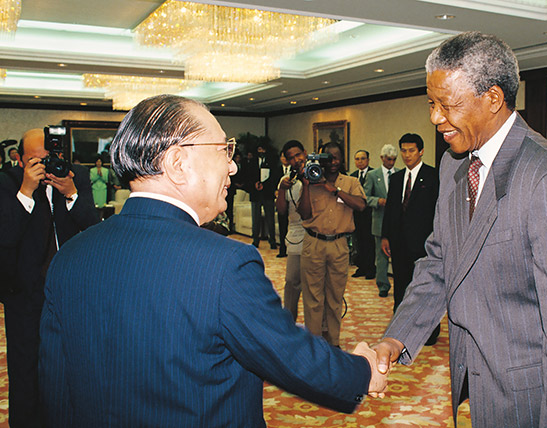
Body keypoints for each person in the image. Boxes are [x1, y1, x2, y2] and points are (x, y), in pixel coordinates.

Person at [38, 95, 386, 427]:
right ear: (178, 163)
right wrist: (362, 371)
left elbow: (56, 389)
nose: (233, 165)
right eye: (224, 150)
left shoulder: (70, 255)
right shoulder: (225, 263)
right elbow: (286, 354)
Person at [372, 32, 547, 427]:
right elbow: (439, 261)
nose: (435, 118)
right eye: (431, 104)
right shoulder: (455, 165)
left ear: (493, 99)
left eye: (447, 105)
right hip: (482, 387)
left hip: (540, 402)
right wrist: (396, 337)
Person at [0, 129, 99, 427]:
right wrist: (26, 192)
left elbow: (92, 228)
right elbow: (5, 237)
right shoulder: (7, 182)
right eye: (36, 159)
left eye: (50, 158)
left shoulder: (75, 176)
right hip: (24, 292)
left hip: (70, 291)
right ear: (20, 160)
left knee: (71, 364)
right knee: (25, 368)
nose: (46, 165)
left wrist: (70, 192)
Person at [299, 142, 366, 346]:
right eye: (328, 158)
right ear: (321, 159)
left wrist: (334, 190)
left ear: (342, 160)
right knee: (313, 298)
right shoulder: (312, 180)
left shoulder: (350, 182)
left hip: (339, 245)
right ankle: (314, 342)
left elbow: (361, 205)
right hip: (314, 243)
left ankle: (333, 341)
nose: (333, 162)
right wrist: (306, 185)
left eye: (336, 158)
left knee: (335, 297)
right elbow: (304, 213)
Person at [381, 133, 439, 315]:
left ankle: (429, 329)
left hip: (423, 243)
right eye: (404, 151)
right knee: (401, 284)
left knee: (424, 286)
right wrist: (385, 236)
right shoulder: (397, 178)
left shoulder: (433, 175)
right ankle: (399, 323)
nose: (407, 155)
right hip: (399, 242)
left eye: (411, 151)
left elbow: (437, 211)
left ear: (421, 151)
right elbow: (390, 209)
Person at [276, 140, 307, 320]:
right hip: (295, 235)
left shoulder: (317, 175)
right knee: (291, 283)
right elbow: (281, 211)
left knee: (314, 288)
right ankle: (289, 326)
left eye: (298, 155)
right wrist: (281, 189)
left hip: (315, 234)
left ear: (305, 153)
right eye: (291, 158)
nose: (296, 160)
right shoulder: (286, 180)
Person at [362, 144, 398, 297]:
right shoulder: (372, 175)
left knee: (398, 255)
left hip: (397, 223)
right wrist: (378, 201)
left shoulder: (399, 174)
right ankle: (383, 285)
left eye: (394, 159)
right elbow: (364, 197)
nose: (391, 162)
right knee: (381, 256)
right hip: (379, 221)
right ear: (382, 158)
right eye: (389, 159)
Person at [247, 141, 280, 248]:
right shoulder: (251, 162)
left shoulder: (272, 161)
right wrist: (255, 183)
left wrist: (264, 185)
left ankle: (272, 241)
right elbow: (248, 176)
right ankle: (255, 240)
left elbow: (274, 177)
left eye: (263, 149)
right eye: (259, 149)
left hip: (267, 193)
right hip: (256, 194)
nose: (261, 152)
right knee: (255, 218)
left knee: (270, 218)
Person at [350, 150, 376, 279]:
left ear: (368, 160)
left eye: (362, 158)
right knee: (358, 242)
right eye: (357, 159)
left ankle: (371, 269)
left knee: (369, 242)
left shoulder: (374, 174)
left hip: (370, 214)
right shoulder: (352, 176)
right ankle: (361, 267)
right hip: (356, 215)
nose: (360, 161)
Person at [277, 149, 290, 257]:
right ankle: (282, 249)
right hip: (281, 201)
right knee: (282, 225)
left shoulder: (296, 171)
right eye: (282, 157)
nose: (284, 159)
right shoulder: (276, 170)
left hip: (294, 204)